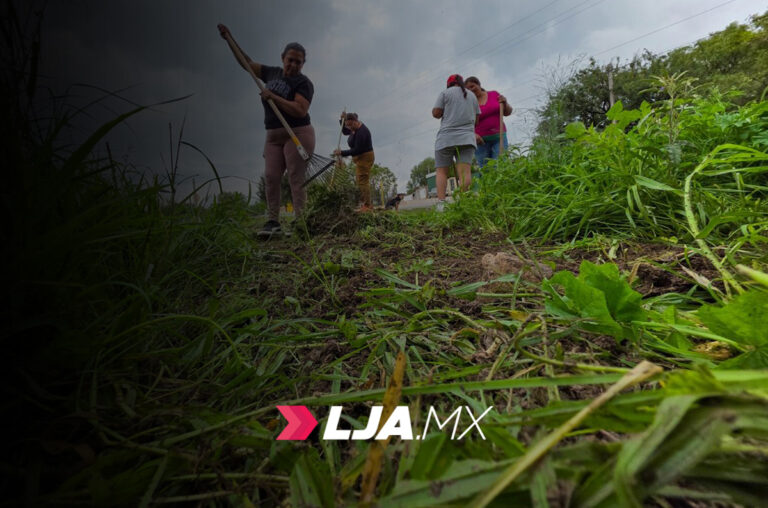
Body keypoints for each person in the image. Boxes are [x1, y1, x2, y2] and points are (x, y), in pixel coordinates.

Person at [218, 23, 315, 237]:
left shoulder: (303, 83)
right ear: (283, 58)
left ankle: (301, 223)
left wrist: (275, 98)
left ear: (303, 64)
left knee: (295, 178)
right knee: (271, 177)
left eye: (298, 62)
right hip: (272, 137)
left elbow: (300, 109)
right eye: (290, 60)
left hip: (297, 133)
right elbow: (247, 63)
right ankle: (273, 222)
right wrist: (230, 39)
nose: (293, 65)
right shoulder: (272, 73)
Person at [432, 74, 480, 212]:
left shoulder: (445, 93)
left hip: (446, 139)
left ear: (449, 84)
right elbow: (476, 121)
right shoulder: (472, 96)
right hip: (467, 138)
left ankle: (441, 204)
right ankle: (462, 201)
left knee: (442, 171)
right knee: (465, 173)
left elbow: (436, 113)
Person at [465, 76, 513, 168]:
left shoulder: (494, 94)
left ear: (478, 84)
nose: (471, 90)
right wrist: (473, 134)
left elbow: (508, 112)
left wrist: (505, 103)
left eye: (472, 86)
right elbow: (465, 124)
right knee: (486, 170)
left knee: (501, 166)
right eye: (467, 89)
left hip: (499, 138)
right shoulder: (468, 104)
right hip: (481, 142)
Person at [333, 113, 374, 212]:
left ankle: (367, 206)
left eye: (351, 125)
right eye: (348, 125)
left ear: (356, 121)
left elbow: (356, 150)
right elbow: (345, 131)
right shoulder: (353, 129)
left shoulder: (362, 132)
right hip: (359, 158)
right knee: (359, 180)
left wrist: (342, 153)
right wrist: (341, 120)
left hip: (365, 156)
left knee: (363, 180)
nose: (349, 127)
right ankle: (364, 203)